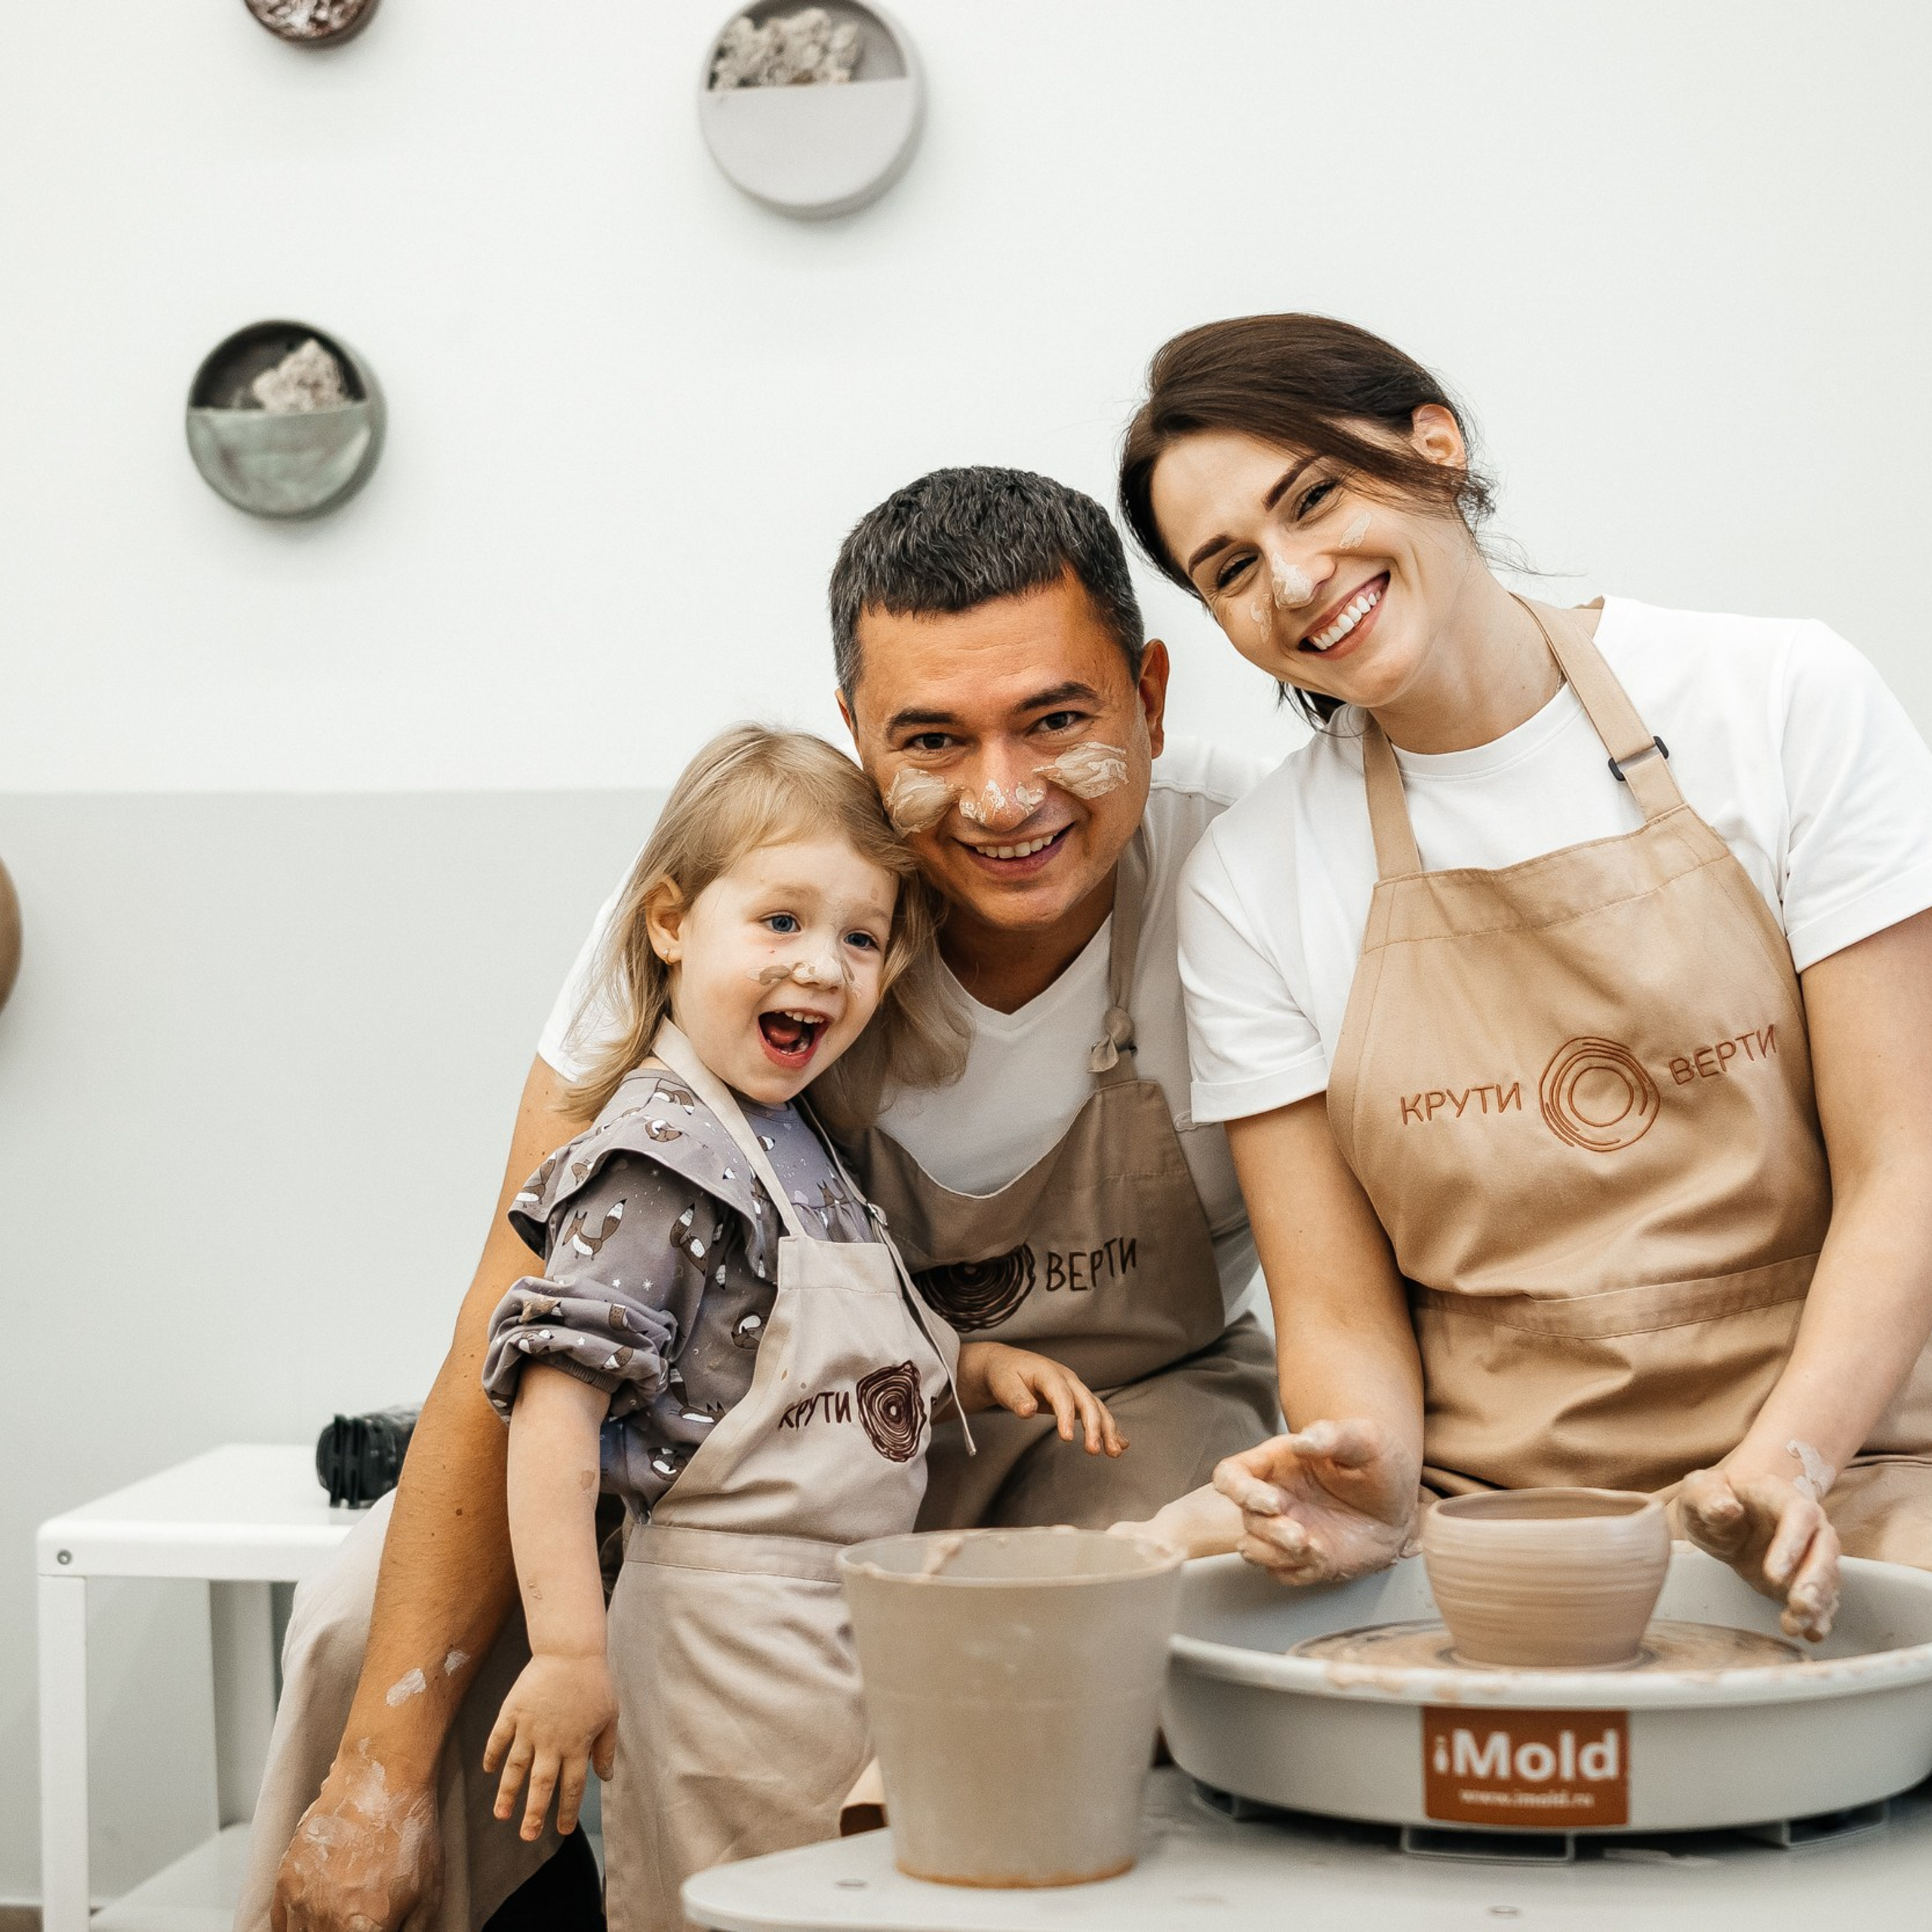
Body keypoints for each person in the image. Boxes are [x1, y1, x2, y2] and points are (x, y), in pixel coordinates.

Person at [243, 468, 1281, 1932]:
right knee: (369, 1640)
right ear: (857, 735)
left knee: (1067, 1636)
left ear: (1150, 694)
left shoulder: (1256, 868)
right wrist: (378, 1777)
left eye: (1055, 721)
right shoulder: (742, 903)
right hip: (726, 1444)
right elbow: (520, 1292)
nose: (999, 795)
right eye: (930, 738)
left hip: (1114, 1403)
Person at [1108, 312, 1932, 1640]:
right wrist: (1360, 1487)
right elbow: (1336, 1312)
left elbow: (1910, 1166)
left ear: (1435, 444)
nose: (1298, 576)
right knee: (1127, 1626)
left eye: (1313, 496)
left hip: (1861, 1467)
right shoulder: (1254, 878)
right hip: (1493, 1509)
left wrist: (1787, 1463)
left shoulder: (1780, 700)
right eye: (1233, 568)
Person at [476, 725, 1119, 1930]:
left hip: (832, 1625)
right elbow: (553, 1416)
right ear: (672, 923)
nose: (822, 967)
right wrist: (568, 1654)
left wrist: (976, 1370)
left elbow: (840, 1357)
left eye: (860, 937)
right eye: (780, 922)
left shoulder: (795, 1139)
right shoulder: (659, 1162)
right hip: (720, 1649)